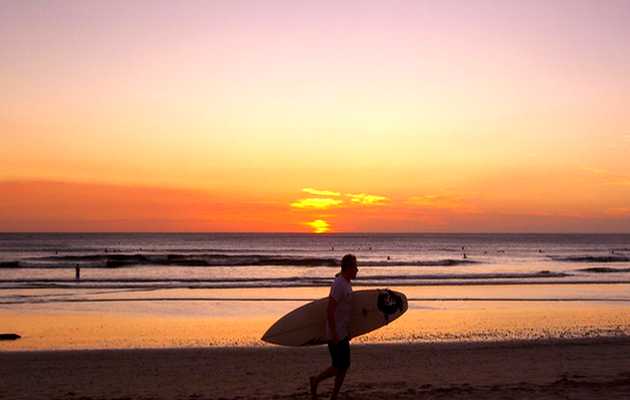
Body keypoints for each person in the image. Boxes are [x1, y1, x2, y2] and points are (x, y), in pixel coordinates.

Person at [309, 254, 358, 400]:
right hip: (335, 333)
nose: (357, 269)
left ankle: (334, 396)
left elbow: (346, 310)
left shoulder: (347, 283)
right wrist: (334, 334)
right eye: (355, 266)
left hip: (343, 332)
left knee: (344, 366)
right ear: (348, 268)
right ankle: (316, 380)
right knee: (338, 366)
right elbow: (330, 310)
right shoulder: (339, 284)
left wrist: (349, 331)